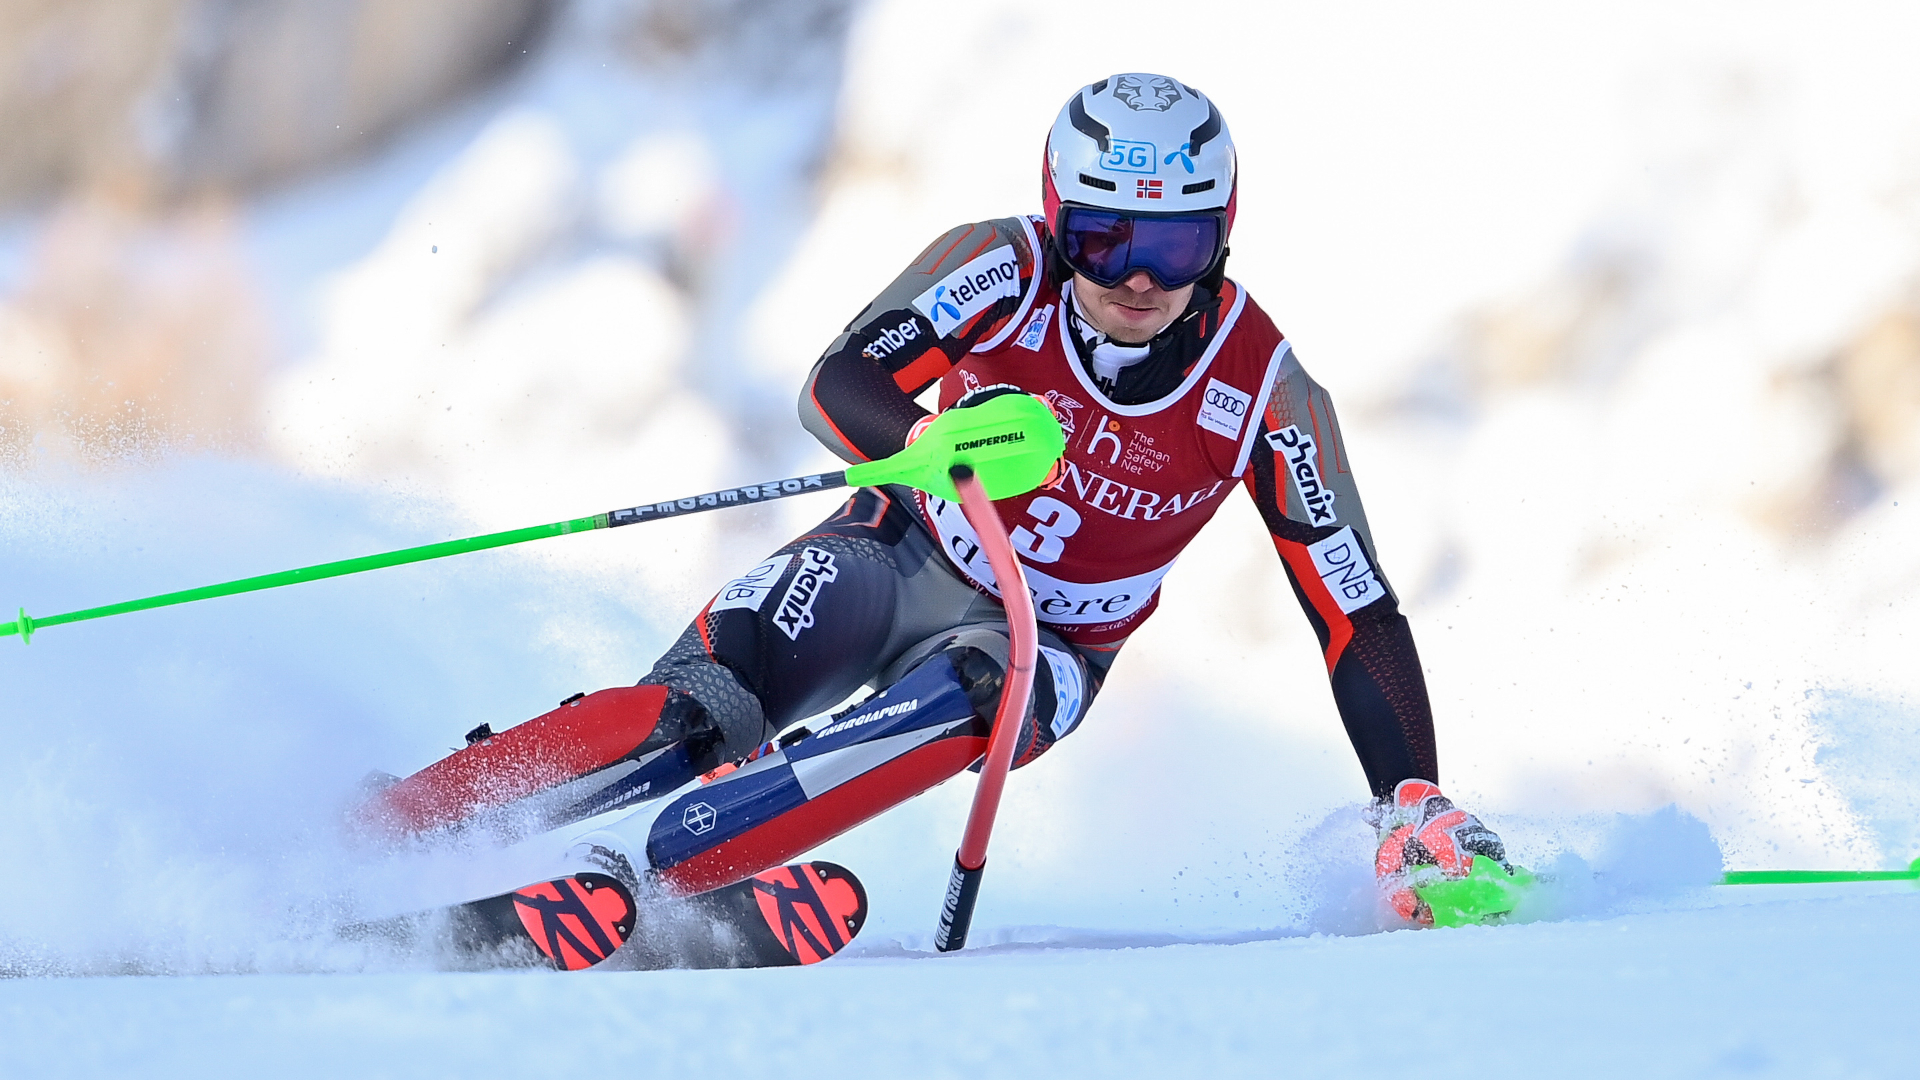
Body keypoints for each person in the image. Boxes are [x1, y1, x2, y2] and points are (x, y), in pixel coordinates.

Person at [366, 73, 1508, 928]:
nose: (1140, 279)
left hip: (1046, 641)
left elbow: (1354, 606)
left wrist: (1410, 796)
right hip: (893, 550)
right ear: (1061, 221)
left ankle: (657, 885)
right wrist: (928, 441)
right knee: (694, 713)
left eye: (1176, 239)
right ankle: (384, 839)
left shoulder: (1266, 389)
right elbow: (838, 381)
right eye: (1106, 238)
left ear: (1223, 233)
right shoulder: (999, 266)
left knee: (981, 689)